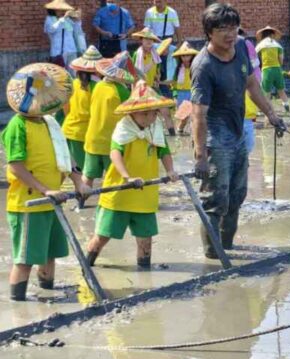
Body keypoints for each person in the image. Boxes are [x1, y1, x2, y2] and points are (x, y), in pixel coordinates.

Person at [190, 3, 285, 258]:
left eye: (233, 28)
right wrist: (200, 156)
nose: (230, 34)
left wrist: (272, 114)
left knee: (236, 195)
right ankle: (213, 256)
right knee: (214, 200)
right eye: (222, 29)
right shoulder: (203, 66)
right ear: (209, 32)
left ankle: (228, 247)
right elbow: (197, 113)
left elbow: (252, 84)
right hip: (214, 139)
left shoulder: (242, 48)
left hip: (238, 134)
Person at [2, 63, 89, 301]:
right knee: (26, 257)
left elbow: (64, 154)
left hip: (52, 201)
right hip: (28, 202)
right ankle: (18, 304)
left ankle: (48, 295)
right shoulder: (17, 126)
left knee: (51, 253)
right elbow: (15, 166)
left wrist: (78, 181)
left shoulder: (50, 122)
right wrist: (45, 189)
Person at [85, 81, 178, 269]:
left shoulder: (156, 128)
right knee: (102, 236)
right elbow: (115, 153)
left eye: (152, 113)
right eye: (144, 113)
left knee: (145, 240)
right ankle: (86, 266)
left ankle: (144, 273)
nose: (149, 117)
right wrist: (127, 177)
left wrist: (170, 171)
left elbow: (164, 152)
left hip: (145, 192)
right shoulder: (123, 128)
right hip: (120, 193)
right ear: (132, 112)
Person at [83, 52, 136, 189]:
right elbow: (131, 114)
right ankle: (107, 203)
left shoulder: (98, 86)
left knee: (88, 175)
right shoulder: (121, 91)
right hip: (110, 141)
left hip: (92, 138)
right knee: (112, 175)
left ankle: (80, 204)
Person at [63, 46, 104, 172]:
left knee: (72, 169)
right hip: (85, 133)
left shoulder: (73, 83)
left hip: (69, 129)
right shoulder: (98, 87)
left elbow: (65, 107)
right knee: (82, 171)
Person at [144, 0, 183, 101]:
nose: (158, 3)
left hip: (167, 42)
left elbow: (177, 29)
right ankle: (153, 93)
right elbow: (147, 31)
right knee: (153, 68)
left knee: (167, 69)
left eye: (160, 1)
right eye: (156, 1)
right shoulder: (149, 12)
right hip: (153, 43)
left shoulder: (172, 12)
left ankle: (167, 95)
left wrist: (179, 44)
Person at [256, 26, 290, 113]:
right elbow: (281, 60)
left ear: (263, 35)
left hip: (266, 70)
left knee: (266, 92)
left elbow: (254, 57)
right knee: (281, 90)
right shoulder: (278, 45)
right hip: (277, 70)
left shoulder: (261, 45)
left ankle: (267, 109)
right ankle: (286, 107)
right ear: (272, 34)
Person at [44, 0, 85, 70]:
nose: (62, 11)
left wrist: (78, 19)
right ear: (54, 10)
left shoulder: (67, 20)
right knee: (60, 73)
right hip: (58, 51)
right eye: (60, 10)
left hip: (71, 49)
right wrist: (63, 19)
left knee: (73, 72)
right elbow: (51, 30)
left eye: (63, 10)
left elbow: (77, 30)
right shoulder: (49, 19)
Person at [171, 41, 198, 134]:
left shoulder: (195, 68)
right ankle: (180, 129)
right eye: (183, 56)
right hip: (180, 93)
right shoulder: (178, 68)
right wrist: (175, 95)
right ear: (180, 57)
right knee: (183, 116)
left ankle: (193, 131)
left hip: (192, 92)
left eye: (187, 55)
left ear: (192, 56)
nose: (185, 58)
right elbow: (174, 83)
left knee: (193, 114)